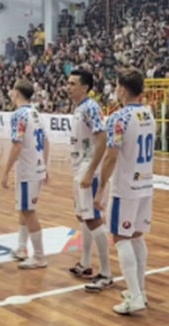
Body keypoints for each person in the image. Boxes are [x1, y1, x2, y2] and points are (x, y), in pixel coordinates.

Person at [94, 68, 155, 315]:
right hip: (146, 183)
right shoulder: (149, 114)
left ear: (121, 89)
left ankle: (135, 296)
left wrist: (100, 190)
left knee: (121, 238)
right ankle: (139, 290)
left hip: (126, 186)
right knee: (137, 236)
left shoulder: (119, 118)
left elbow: (111, 157)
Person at [66, 69, 113, 291]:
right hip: (80, 168)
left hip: (88, 171)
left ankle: (106, 272)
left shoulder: (91, 108)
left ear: (85, 87)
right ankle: (85, 263)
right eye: (68, 82)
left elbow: (102, 139)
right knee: (84, 217)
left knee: (94, 219)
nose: (68, 86)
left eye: (73, 83)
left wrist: (90, 171)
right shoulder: (79, 108)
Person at [1, 78, 50, 269]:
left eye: (13, 91)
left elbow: (17, 145)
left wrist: (5, 171)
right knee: (24, 209)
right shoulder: (36, 113)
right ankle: (22, 248)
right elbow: (46, 142)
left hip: (27, 169)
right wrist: (45, 167)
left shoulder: (19, 115)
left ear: (17, 93)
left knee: (29, 212)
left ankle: (39, 255)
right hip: (36, 168)